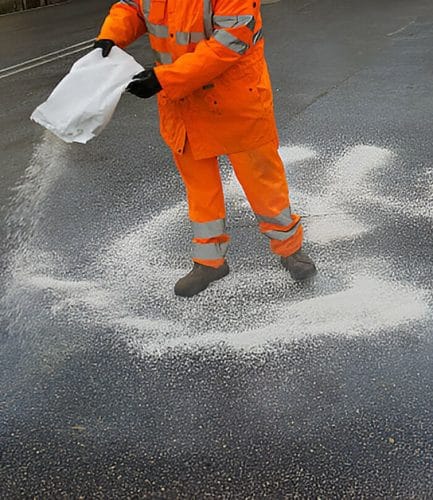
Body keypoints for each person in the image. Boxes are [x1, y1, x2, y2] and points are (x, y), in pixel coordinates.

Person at [94, 0, 317, 297]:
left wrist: (164, 79)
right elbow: (133, 7)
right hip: (183, 104)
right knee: (200, 188)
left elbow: (228, 44)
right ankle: (209, 262)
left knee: (262, 180)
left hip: (234, 99)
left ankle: (291, 250)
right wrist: (111, 35)